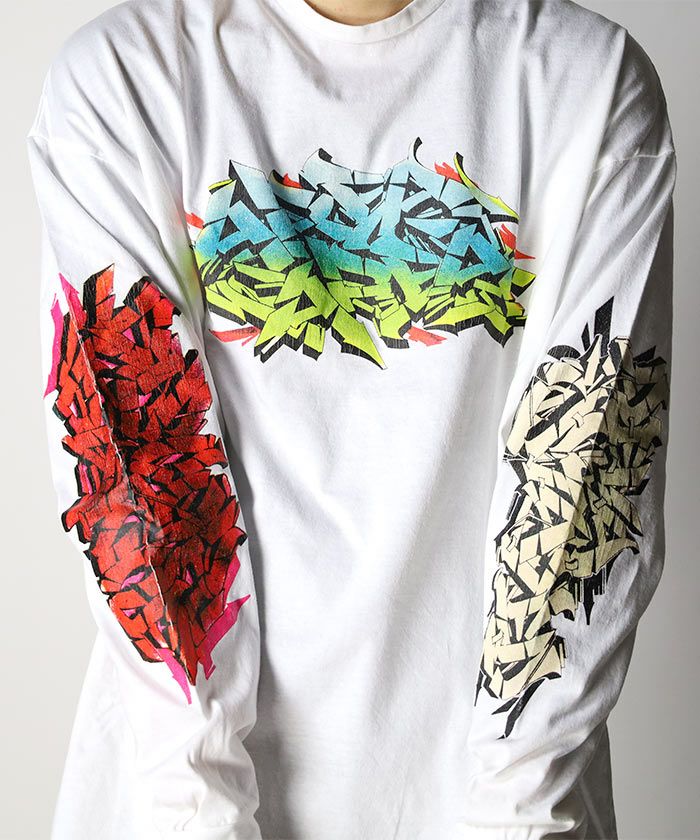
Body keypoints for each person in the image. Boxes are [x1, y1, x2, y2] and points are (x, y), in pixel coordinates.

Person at [26, 0, 677, 837]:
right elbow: (138, 490)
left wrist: (518, 820)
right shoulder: (127, 78)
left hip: (502, 811)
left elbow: (584, 482)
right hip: (170, 809)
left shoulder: (586, 84)